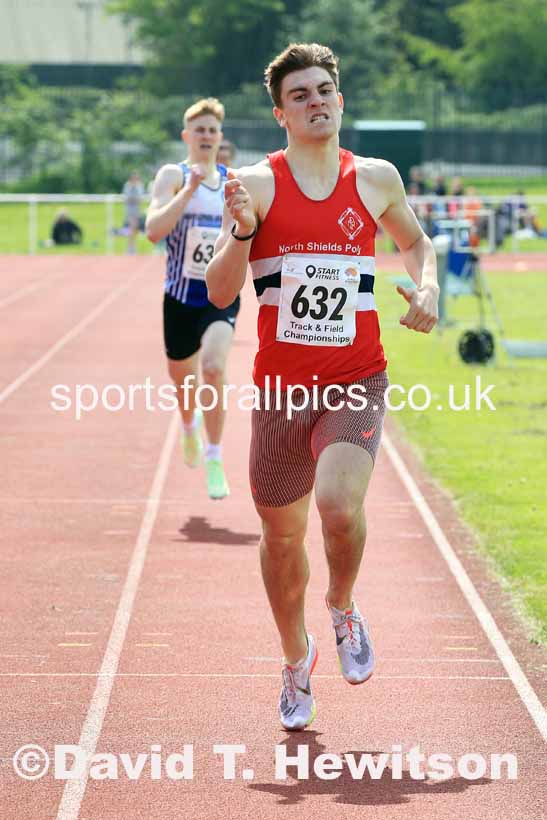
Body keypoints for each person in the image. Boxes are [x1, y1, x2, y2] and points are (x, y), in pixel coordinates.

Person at [206, 43, 438, 730]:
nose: (317, 101)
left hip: (354, 378)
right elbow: (221, 290)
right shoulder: (257, 185)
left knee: (338, 509)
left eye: (325, 89)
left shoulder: (374, 179)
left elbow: (416, 244)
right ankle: (294, 658)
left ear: (340, 98)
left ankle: (340, 605)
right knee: (281, 540)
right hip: (280, 389)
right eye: (301, 94)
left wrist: (426, 290)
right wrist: (244, 232)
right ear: (280, 113)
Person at [146, 98, 239, 499]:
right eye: (199, 130)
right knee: (183, 380)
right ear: (187, 136)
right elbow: (152, 229)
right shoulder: (173, 175)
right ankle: (188, 426)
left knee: (215, 368)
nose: (206, 136)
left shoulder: (233, 180)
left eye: (212, 130)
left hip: (219, 295)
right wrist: (188, 192)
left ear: (220, 137)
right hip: (179, 299)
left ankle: (215, 457)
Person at [123, 172, 144, 254]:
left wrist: (134, 199)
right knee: (131, 228)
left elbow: (140, 198)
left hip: (136, 210)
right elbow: (127, 198)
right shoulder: (127, 185)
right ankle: (130, 247)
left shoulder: (139, 186)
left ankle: (132, 246)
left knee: (134, 229)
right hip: (129, 210)